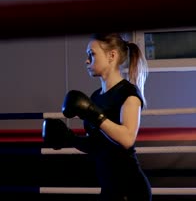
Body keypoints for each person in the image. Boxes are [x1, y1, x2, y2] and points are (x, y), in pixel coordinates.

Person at [43, 33, 152, 201]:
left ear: (112, 56)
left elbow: (127, 138)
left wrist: (95, 114)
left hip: (130, 189)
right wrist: (70, 138)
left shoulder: (128, 93)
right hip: (109, 187)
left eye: (92, 54)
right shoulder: (95, 97)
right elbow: (97, 145)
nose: (87, 60)